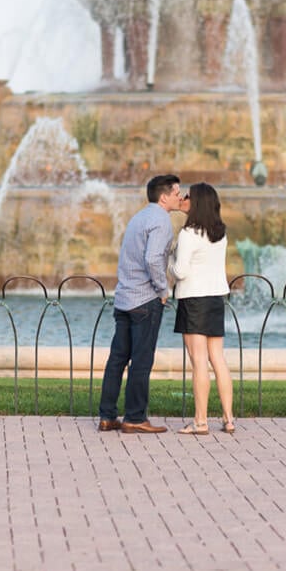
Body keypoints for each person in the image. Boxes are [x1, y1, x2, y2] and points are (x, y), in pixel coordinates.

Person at [98, 174, 184, 433]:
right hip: (145, 300)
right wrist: (162, 289)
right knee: (142, 360)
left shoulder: (138, 218)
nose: (180, 196)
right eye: (177, 192)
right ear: (164, 196)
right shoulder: (162, 221)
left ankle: (107, 416)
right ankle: (135, 418)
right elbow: (153, 259)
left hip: (124, 298)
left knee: (117, 359)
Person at [170, 182, 235, 435]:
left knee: (198, 362)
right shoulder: (219, 233)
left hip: (194, 300)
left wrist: (169, 260)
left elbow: (181, 272)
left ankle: (200, 421)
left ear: (196, 203)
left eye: (187, 196)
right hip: (216, 298)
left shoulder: (188, 234)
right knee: (218, 359)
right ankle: (229, 419)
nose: (183, 199)